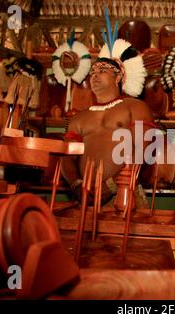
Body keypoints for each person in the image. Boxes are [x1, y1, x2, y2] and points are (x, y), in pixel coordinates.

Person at [61, 40, 153, 205]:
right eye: (92, 72)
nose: (94, 75)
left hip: (125, 193)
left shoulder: (135, 107)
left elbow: (142, 150)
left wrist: (112, 185)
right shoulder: (79, 118)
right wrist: (76, 185)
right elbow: (66, 157)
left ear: (118, 76)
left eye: (102, 71)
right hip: (86, 198)